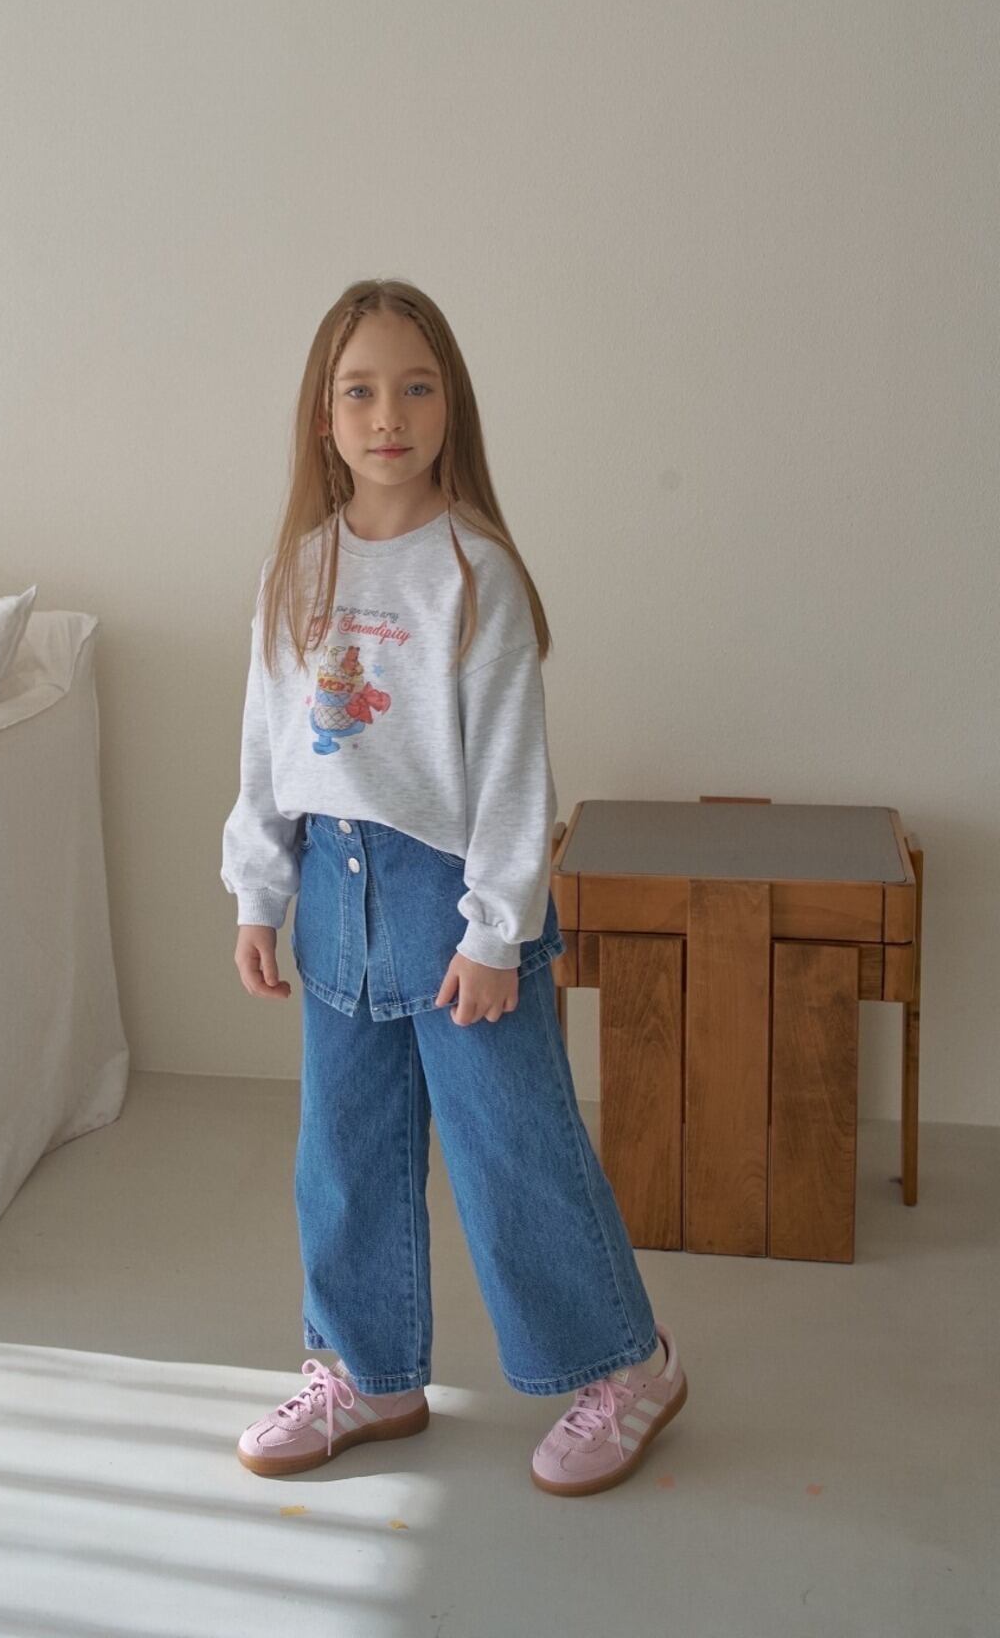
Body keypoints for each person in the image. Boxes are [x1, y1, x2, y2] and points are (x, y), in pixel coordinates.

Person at [220, 277, 688, 1496]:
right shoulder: (295, 573)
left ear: (450, 406)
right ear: (323, 417)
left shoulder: (473, 572)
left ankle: (626, 1365)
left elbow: (514, 778)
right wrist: (258, 893)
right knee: (342, 1150)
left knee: (508, 1147)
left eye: (415, 387)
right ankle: (367, 1373)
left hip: (454, 898)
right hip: (334, 890)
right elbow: (268, 751)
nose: (388, 415)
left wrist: (493, 931)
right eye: (359, 391)